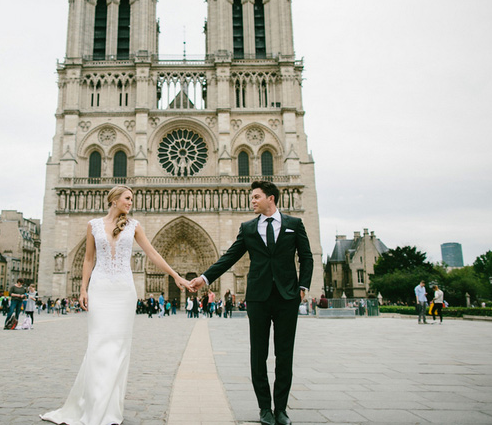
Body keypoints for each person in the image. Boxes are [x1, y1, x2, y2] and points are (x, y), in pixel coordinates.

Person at [40, 185, 192, 424]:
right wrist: (83, 288)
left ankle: (109, 408)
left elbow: (152, 253)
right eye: (127, 198)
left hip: (124, 290)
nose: (131, 202)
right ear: (114, 199)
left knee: (119, 349)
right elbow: (88, 258)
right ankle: (93, 404)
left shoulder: (134, 226)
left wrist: (175, 275)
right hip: (100, 287)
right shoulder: (93, 225)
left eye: (132, 199)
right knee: (98, 345)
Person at [189, 181, 313, 425]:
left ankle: (281, 410)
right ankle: (265, 409)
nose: (252, 200)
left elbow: (306, 257)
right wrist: (204, 278)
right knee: (258, 355)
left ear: (271, 198)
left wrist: (303, 287)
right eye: (252, 197)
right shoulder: (248, 228)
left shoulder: (293, 224)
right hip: (258, 297)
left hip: (287, 297)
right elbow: (230, 257)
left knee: (284, 355)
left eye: (257, 197)